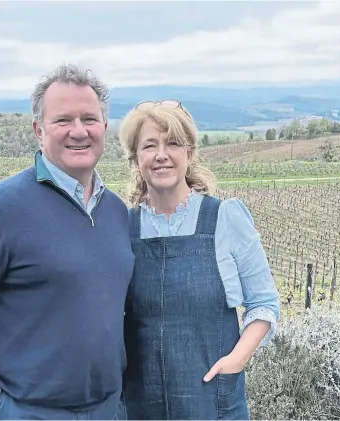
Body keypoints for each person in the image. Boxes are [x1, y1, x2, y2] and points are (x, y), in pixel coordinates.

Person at [0, 64, 135, 420]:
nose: (78, 131)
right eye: (63, 120)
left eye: (89, 119)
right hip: (28, 412)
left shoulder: (116, 211)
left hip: (108, 410)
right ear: (38, 130)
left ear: (104, 128)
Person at [117, 100, 280, 420]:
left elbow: (263, 304)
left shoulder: (224, 218)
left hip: (211, 401)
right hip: (139, 405)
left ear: (189, 153)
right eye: (150, 145)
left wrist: (235, 361)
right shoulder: (122, 227)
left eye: (173, 143)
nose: (161, 154)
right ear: (136, 159)